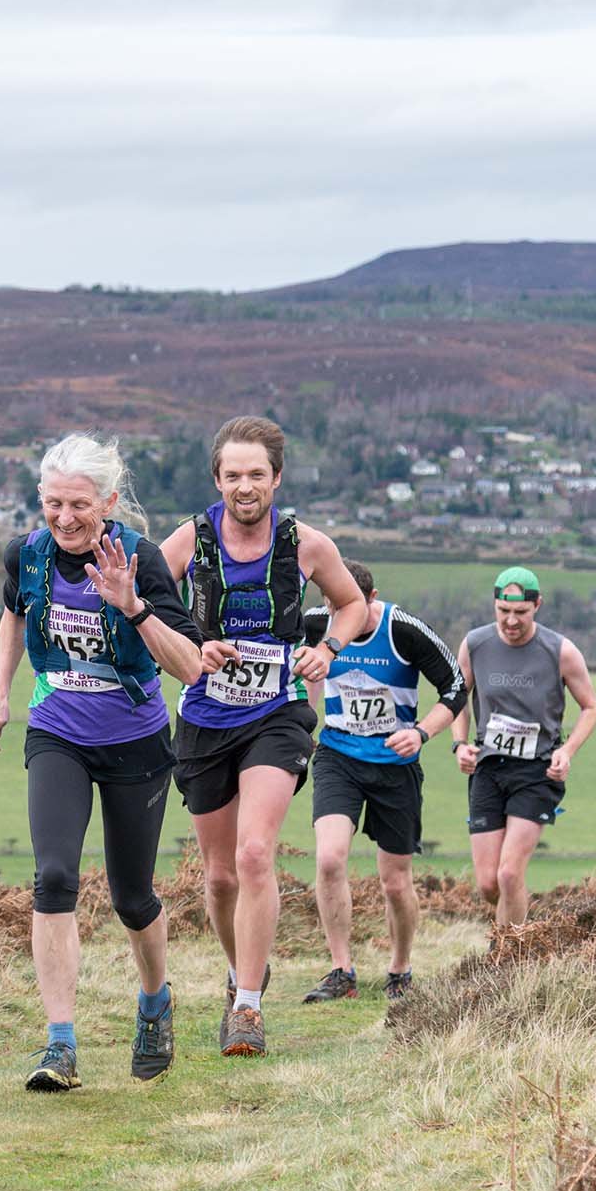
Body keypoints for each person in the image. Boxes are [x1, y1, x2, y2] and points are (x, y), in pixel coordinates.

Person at [0, 432, 204, 1092]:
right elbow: (14, 616)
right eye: (53, 504)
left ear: (107, 500)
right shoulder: (28, 553)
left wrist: (132, 607)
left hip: (135, 741)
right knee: (52, 877)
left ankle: (156, 1001)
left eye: (79, 504)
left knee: (134, 899)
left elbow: (188, 665)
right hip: (58, 733)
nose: (66, 518)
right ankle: (60, 1044)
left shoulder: (145, 559)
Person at [156, 416, 367, 1058]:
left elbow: (351, 605)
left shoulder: (306, 544)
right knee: (218, 878)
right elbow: (146, 603)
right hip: (204, 718)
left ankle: (247, 1008)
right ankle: (241, 968)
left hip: (276, 713)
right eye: (232, 475)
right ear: (217, 480)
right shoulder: (189, 540)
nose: (244, 486)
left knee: (254, 855)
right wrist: (194, 644)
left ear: (276, 477)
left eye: (256, 474)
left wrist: (328, 648)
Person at [299, 560, 467, 1003]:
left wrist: (421, 732)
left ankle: (400, 967)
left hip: (395, 763)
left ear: (369, 600)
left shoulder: (404, 630)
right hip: (338, 756)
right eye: (331, 607)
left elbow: (456, 686)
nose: (339, 618)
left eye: (347, 607)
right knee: (330, 858)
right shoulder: (317, 624)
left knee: (395, 880)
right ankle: (341, 970)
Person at [452, 567, 596, 931]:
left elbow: (591, 707)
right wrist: (460, 744)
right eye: (503, 610)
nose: (511, 620)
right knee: (489, 883)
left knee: (508, 874)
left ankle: (508, 958)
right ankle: (518, 924)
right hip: (489, 768)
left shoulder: (561, 651)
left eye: (520, 612)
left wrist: (567, 751)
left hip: (537, 772)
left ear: (537, 606)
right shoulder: (475, 644)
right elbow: (456, 699)